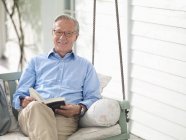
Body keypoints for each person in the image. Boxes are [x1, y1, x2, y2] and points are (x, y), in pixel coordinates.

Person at [13, 15, 101, 140]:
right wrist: (23, 100)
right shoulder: (36, 61)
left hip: (65, 118)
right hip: (31, 114)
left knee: (46, 133)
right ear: (52, 33)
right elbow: (18, 95)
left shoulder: (86, 66)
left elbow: (93, 97)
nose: (62, 37)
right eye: (58, 32)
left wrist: (78, 109)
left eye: (68, 33)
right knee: (36, 107)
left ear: (76, 36)